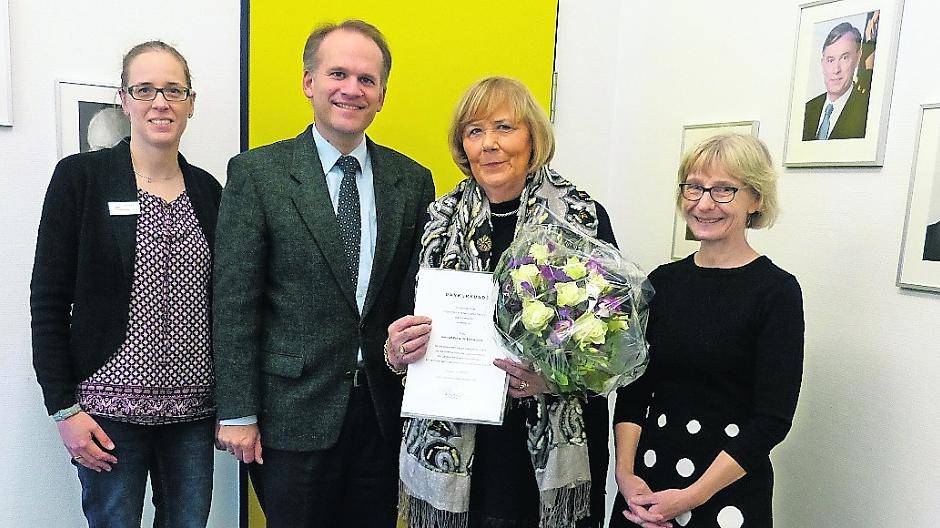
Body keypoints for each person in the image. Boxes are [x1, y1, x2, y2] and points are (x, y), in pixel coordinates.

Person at [212, 19, 435, 527]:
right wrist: (239, 412)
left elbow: (413, 294)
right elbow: (233, 303)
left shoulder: (413, 181)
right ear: (309, 83)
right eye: (338, 74)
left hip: (383, 413)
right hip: (291, 415)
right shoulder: (257, 174)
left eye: (367, 79)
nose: (352, 89)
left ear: (382, 95)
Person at [387, 76, 615, 528]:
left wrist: (552, 377)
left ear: (533, 137)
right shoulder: (437, 221)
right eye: (474, 131)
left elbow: (611, 340)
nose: (489, 144)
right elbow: (402, 319)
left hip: (551, 444)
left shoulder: (581, 219)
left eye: (504, 128)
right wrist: (396, 352)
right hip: (459, 441)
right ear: (462, 146)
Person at [30, 41, 221, 527]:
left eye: (174, 90)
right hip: (106, 416)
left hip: (192, 416)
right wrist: (63, 410)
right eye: (145, 89)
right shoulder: (82, 178)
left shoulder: (209, 192)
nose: (161, 102)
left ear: (191, 102)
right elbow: (48, 302)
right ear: (124, 99)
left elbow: (231, 302)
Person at [610, 134, 804, 528]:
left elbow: (772, 419)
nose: (704, 203)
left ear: (757, 199)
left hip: (725, 491)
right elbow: (632, 391)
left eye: (724, 190)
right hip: (646, 485)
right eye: (694, 187)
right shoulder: (661, 282)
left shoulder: (776, 292)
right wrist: (625, 477)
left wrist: (692, 496)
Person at [802, 22, 870, 141]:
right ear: (822, 63)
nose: (836, 70)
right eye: (830, 60)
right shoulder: (807, 110)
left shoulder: (867, 111)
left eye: (844, 58)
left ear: (858, 58)